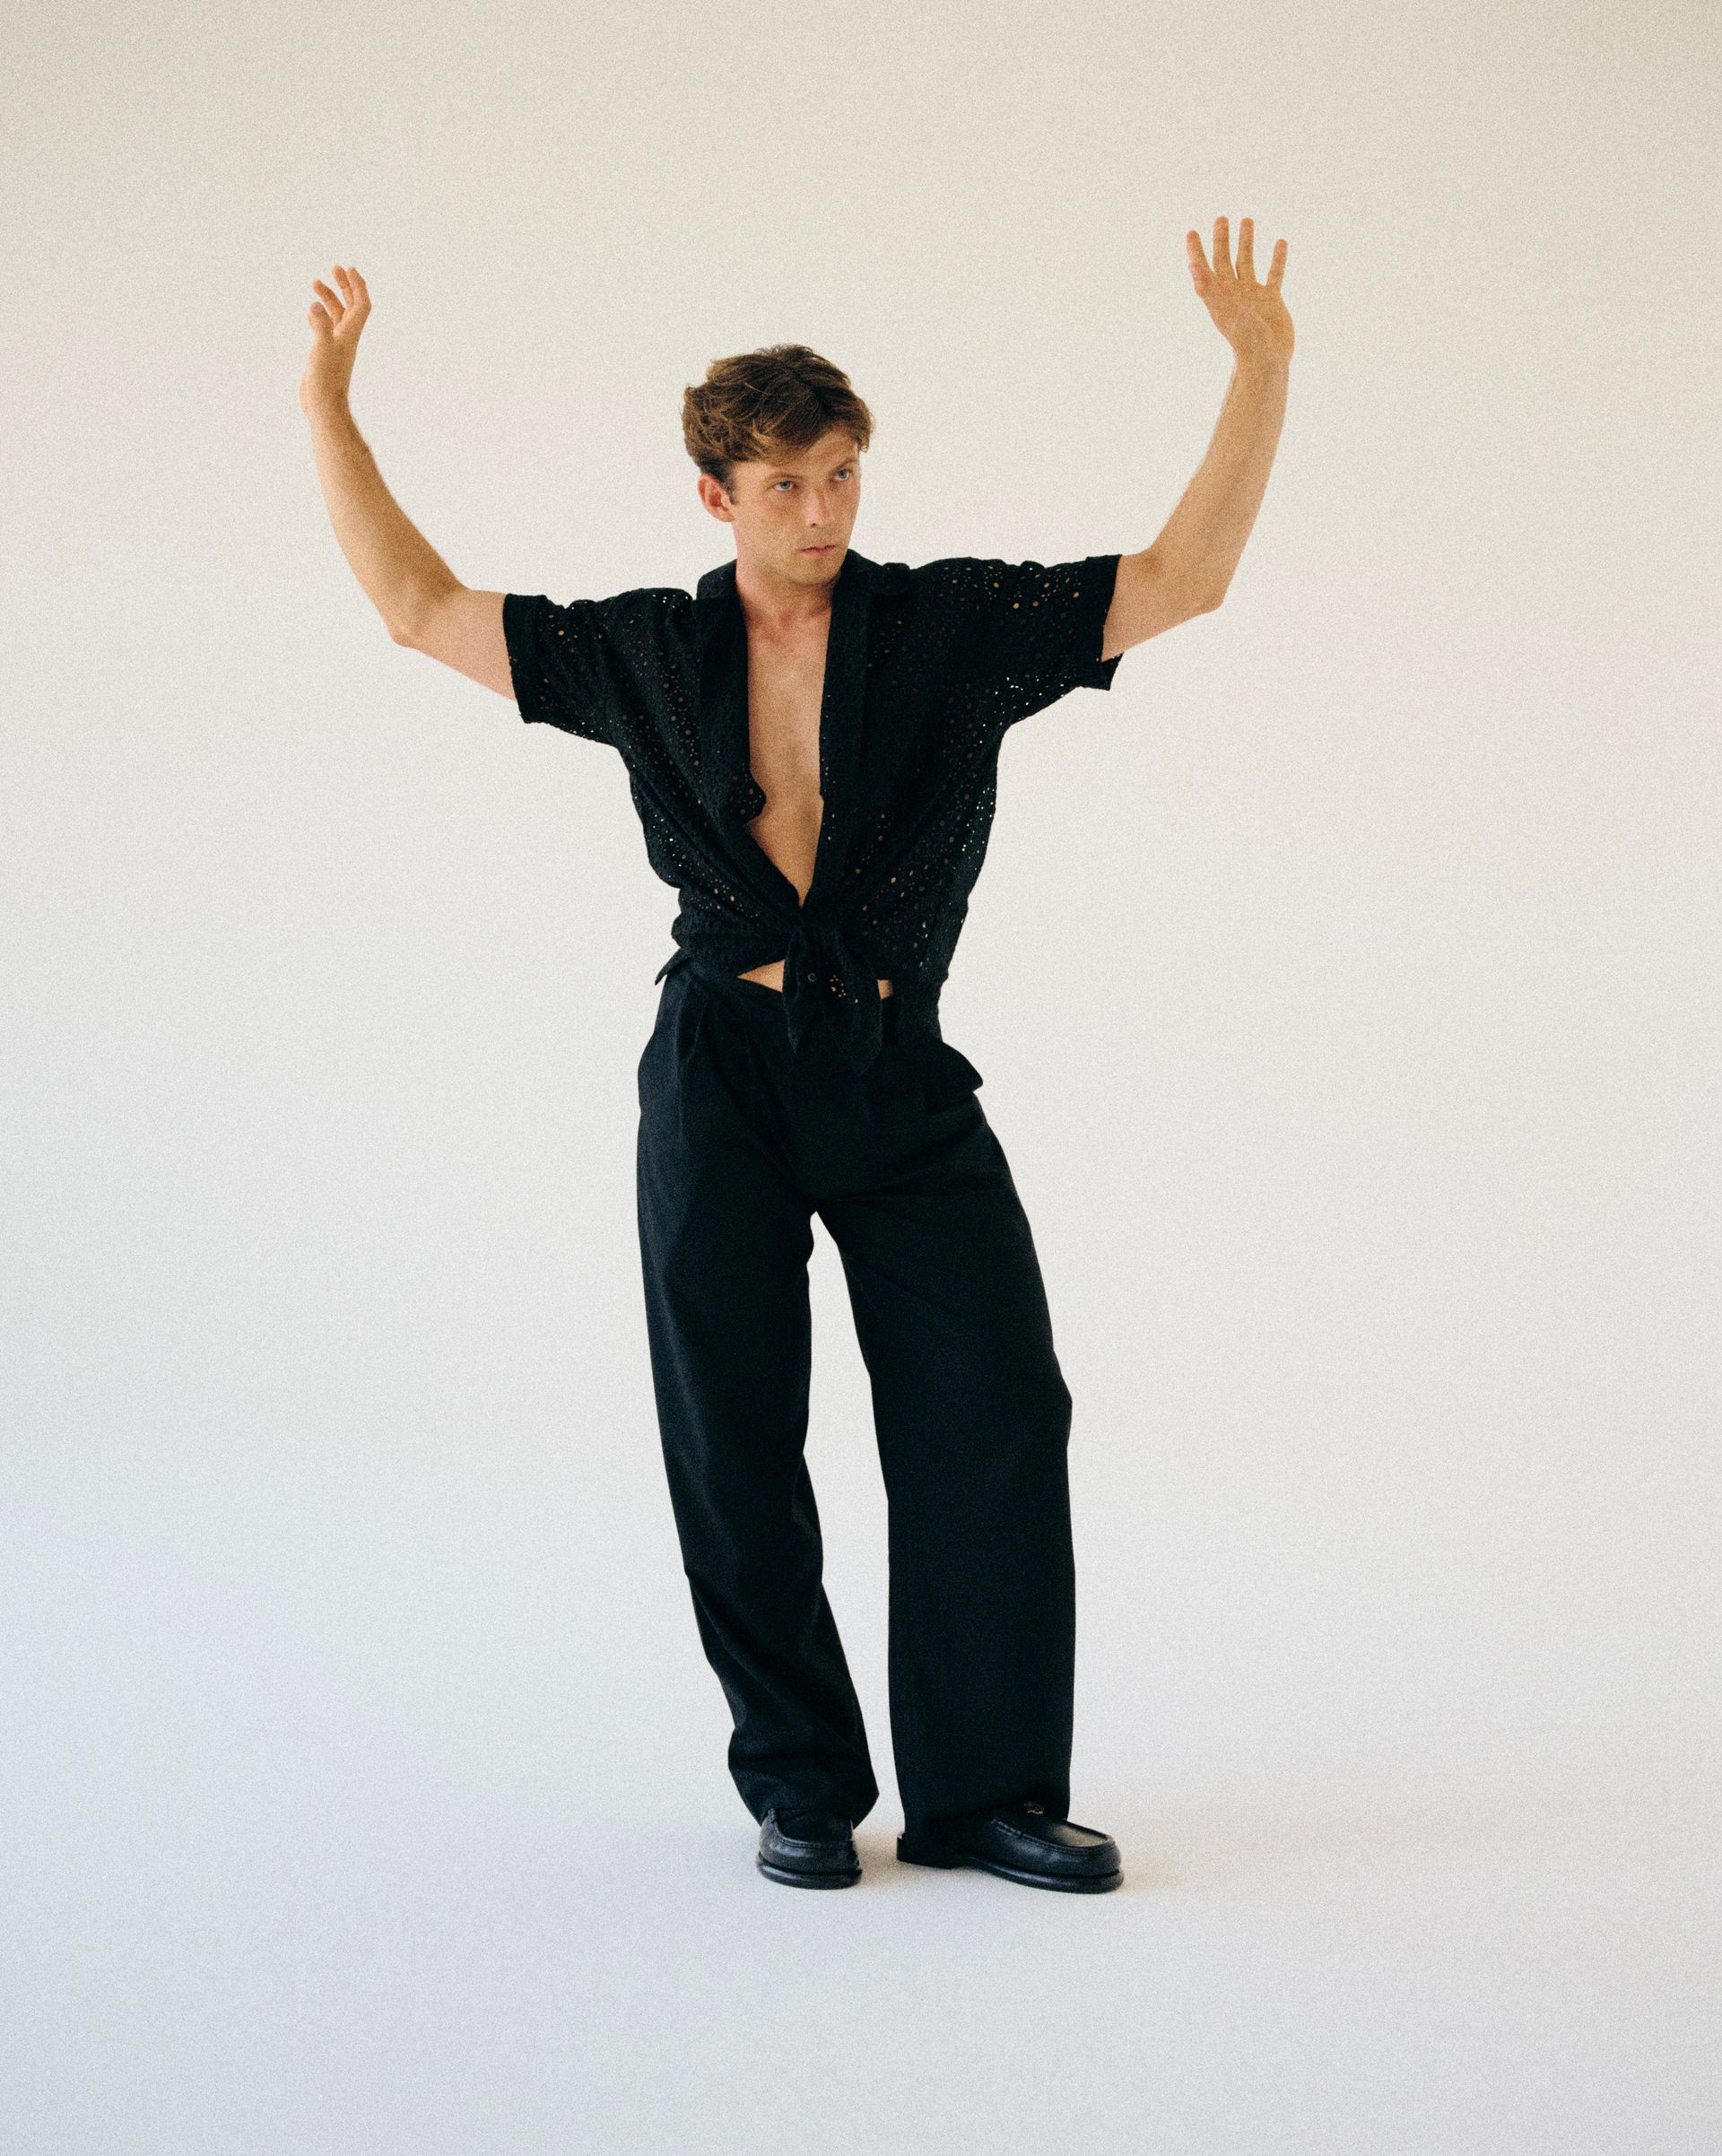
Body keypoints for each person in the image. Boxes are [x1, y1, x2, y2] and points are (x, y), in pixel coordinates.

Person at [299, 223, 1293, 1892]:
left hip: (899, 1080)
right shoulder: (637, 653)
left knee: (994, 1411)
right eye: (788, 486)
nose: (826, 514)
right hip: (721, 1076)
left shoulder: (953, 628)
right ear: (717, 496)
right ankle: (804, 1788)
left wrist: (1260, 366)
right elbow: (413, 606)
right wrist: (330, 401)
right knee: (734, 1428)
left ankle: (980, 1798)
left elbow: (1184, 579)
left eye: (844, 476)